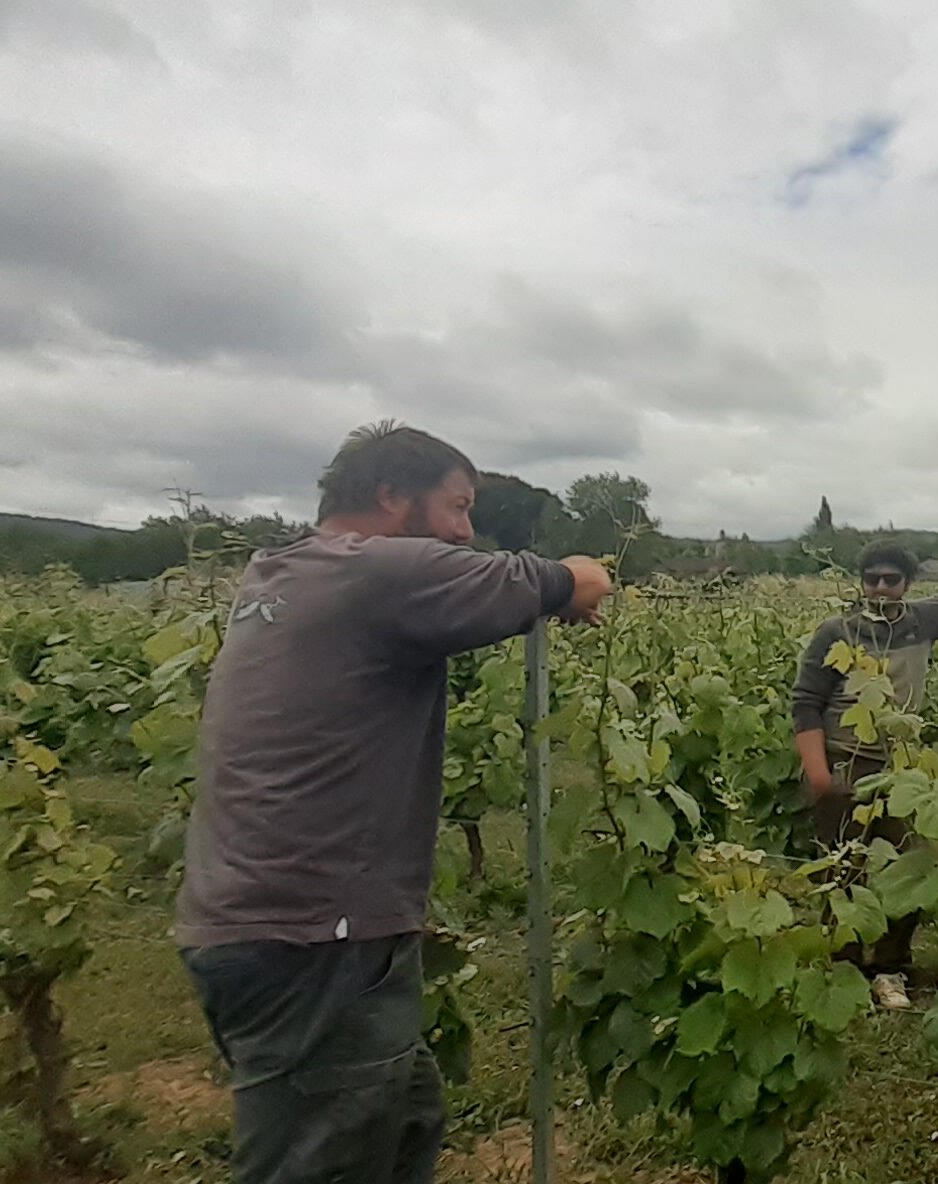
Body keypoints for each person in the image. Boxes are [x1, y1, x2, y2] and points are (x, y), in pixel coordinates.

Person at [176, 422, 614, 1184]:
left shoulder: (280, 571)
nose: (466, 531)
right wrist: (571, 582)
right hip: (316, 942)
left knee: (404, 1119)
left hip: (266, 926)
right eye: (457, 507)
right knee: (325, 1158)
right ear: (389, 496)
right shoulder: (376, 572)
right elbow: (574, 579)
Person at [790, 540, 938, 1008]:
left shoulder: (920, 622)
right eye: (871, 578)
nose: (879, 587)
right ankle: (845, 970)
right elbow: (806, 703)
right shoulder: (837, 631)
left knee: (907, 869)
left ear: (907, 585)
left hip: (900, 769)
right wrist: (817, 773)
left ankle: (890, 969)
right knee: (843, 872)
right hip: (844, 761)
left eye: (890, 580)